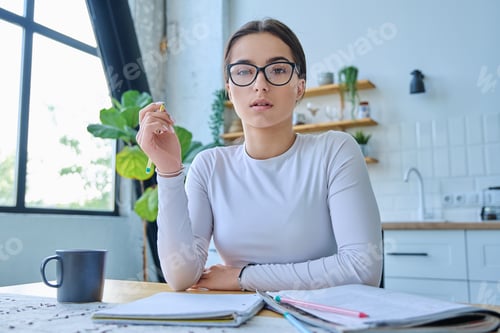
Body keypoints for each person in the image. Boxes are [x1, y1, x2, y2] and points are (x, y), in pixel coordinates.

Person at [136, 18, 382, 292]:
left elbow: (363, 268)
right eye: (243, 71)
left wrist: (243, 277)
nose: (260, 84)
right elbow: (180, 276)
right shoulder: (209, 166)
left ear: (299, 86)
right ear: (229, 89)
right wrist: (169, 171)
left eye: (277, 70)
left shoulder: (335, 151)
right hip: (238, 319)